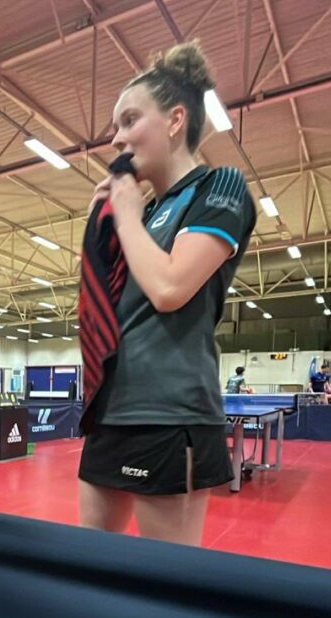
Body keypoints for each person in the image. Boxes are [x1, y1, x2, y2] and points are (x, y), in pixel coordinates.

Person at [78, 41, 256, 547]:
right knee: (91, 565)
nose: (117, 138)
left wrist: (127, 217)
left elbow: (170, 288)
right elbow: (110, 307)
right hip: (110, 409)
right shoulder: (144, 212)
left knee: (165, 580)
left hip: (169, 413)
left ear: (176, 119)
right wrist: (107, 228)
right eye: (116, 126)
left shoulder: (219, 186)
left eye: (130, 120)